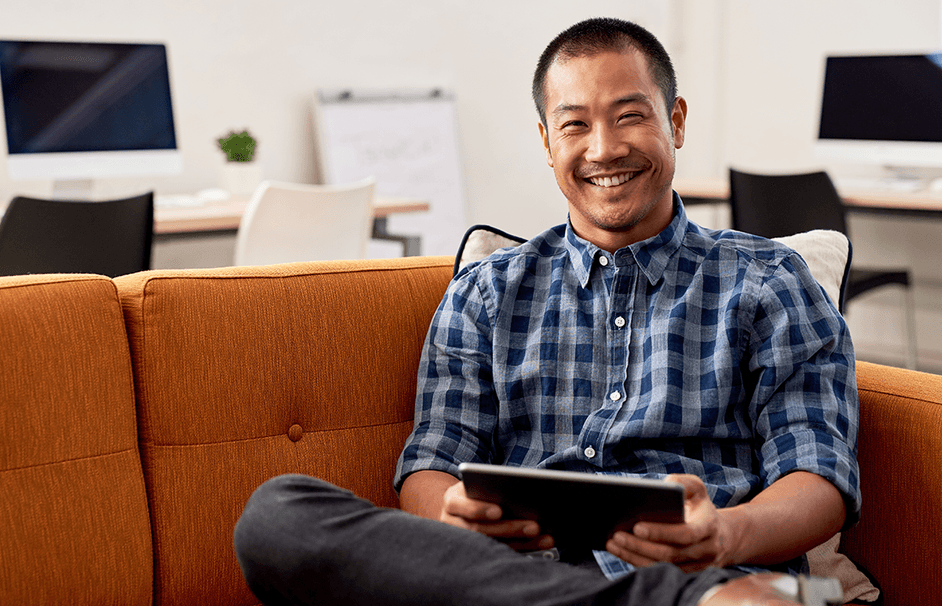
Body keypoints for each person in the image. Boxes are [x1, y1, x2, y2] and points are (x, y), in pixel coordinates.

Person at [234, 17, 858, 606]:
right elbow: (430, 465)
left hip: (710, 569)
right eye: (575, 126)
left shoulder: (769, 282)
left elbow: (818, 475)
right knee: (278, 515)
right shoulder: (486, 293)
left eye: (630, 117)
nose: (605, 149)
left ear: (676, 121)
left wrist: (726, 533)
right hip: (523, 573)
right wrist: (455, 510)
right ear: (546, 141)